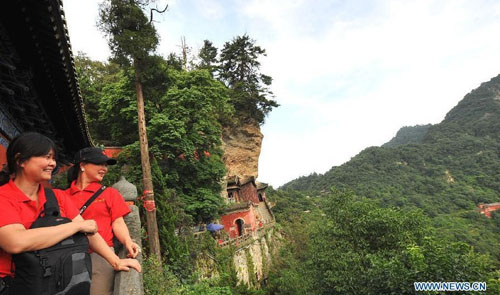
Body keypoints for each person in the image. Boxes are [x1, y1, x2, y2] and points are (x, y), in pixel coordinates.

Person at [0, 132, 141, 295]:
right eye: (46, 157)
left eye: (53, 158)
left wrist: (115, 261)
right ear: (20, 160)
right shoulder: (4, 197)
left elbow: (89, 233)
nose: (52, 163)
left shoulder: (56, 197)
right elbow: (16, 241)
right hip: (13, 285)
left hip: (50, 281)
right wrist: (75, 226)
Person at [66, 147, 140, 295]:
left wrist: (127, 241)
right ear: (82, 165)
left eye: (105, 165)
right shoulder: (63, 196)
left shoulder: (110, 193)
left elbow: (117, 222)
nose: (104, 168)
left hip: (102, 256)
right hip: (69, 256)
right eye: (99, 163)